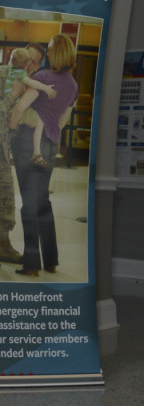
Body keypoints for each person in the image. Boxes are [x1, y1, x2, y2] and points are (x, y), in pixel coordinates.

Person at [10, 36, 76, 277]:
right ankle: (51, 260)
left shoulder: (43, 78)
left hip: (28, 143)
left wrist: (14, 127)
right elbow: (62, 122)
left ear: (52, 53)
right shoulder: (73, 85)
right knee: (43, 203)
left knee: (29, 205)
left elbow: (19, 108)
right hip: (49, 144)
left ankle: (31, 264)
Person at [0, 44, 48, 263]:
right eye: (28, 59)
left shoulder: (31, 86)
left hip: (5, 149)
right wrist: (13, 97)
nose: (30, 65)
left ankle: (3, 245)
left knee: (6, 196)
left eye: (35, 62)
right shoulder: (2, 75)